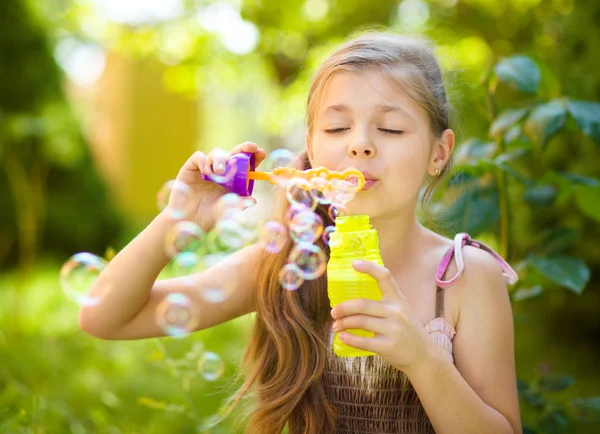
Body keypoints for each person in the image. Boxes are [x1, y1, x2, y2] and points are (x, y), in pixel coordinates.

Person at [79, 31, 522, 434]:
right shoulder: (285, 262)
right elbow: (104, 317)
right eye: (337, 127)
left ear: (438, 153)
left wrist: (422, 358)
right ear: (312, 149)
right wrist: (181, 215)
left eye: (390, 128)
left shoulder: (467, 277)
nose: (360, 144)